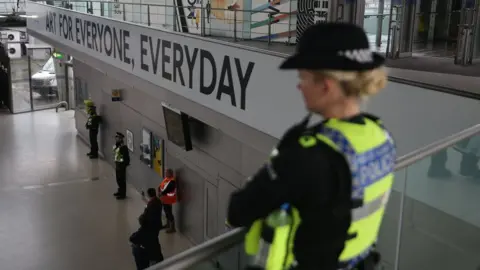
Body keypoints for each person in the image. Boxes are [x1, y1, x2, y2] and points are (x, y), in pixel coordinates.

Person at [227, 23, 396, 270]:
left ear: (325, 86)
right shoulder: (381, 136)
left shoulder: (308, 156)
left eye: (303, 78)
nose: (299, 86)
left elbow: (239, 210)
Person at [158, 168, 177, 233]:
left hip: (168, 200)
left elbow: (167, 189)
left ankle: (172, 228)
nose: (165, 173)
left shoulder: (172, 181)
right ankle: (168, 224)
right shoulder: (167, 179)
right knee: (166, 212)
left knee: (169, 213)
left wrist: (161, 193)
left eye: (166, 172)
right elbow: (162, 186)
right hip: (164, 199)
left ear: (170, 173)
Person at [113, 132, 130, 200]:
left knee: (122, 180)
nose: (116, 138)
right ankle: (119, 191)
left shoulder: (123, 147)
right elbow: (115, 152)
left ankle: (123, 194)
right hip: (117, 164)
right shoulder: (117, 145)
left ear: (120, 138)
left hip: (121, 166)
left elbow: (127, 158)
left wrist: (124, 165)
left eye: (117, 137)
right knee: (118, 179)